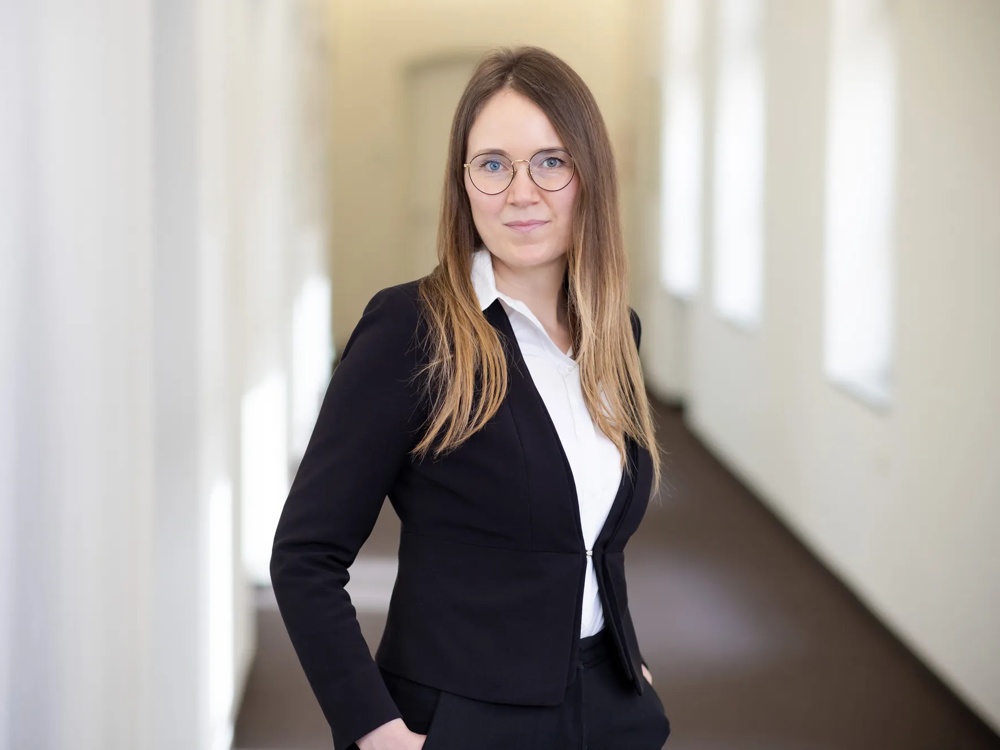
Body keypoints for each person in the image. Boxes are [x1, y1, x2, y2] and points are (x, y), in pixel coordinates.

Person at [270, 46, 670, 750]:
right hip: (461, 718)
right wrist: (375, 730)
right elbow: (305, 557)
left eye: (551, 162)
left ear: (590, 176)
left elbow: (591, 534)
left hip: (607, 708)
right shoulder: (411, 331)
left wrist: (621, 655)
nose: (521, 192)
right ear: (464, 184)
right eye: (493, 164)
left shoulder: (616, 335)